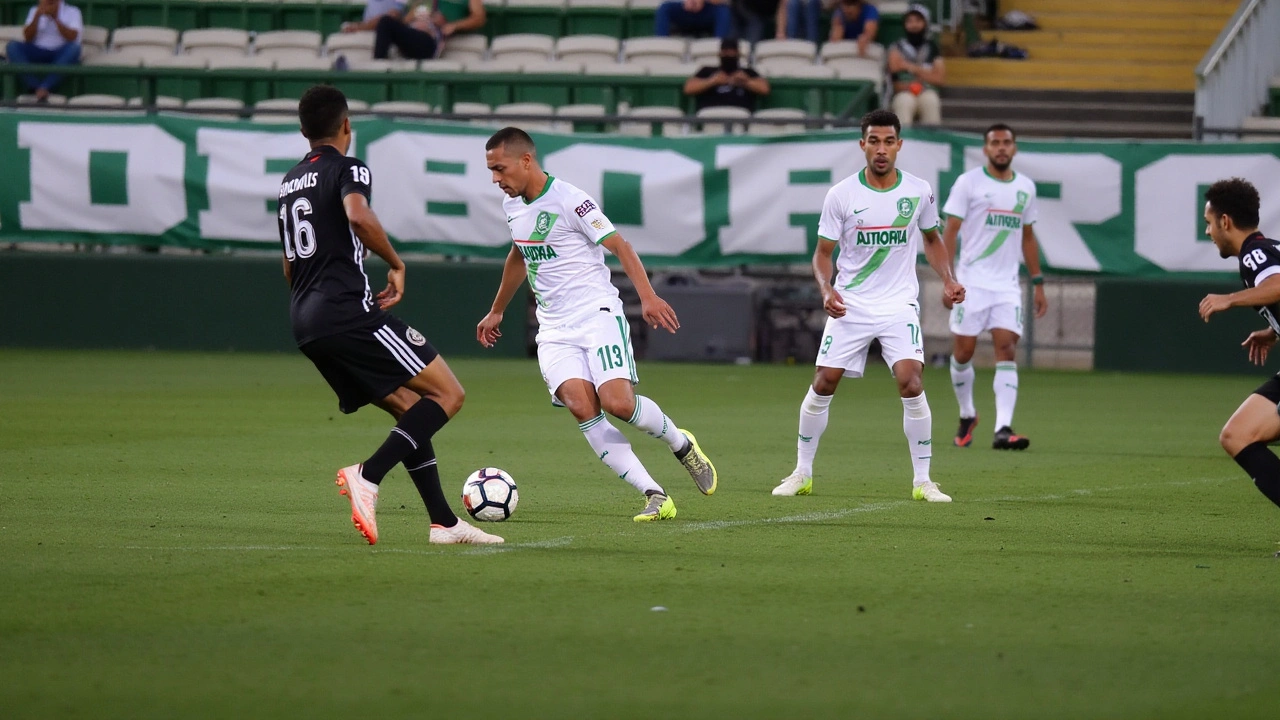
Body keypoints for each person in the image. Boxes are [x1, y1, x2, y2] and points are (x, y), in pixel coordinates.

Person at [278, 85, 501, 546]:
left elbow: (289, 261)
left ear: (303, 131)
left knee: (409, 408)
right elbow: (357, 215)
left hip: (305, 320)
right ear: (346, 126)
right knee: (448, 394)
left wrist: (312, 306)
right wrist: (397, 265)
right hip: (347, 312)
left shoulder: (289, 181)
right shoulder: (348, 167)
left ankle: (444, 522)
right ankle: (368, 474)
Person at [477, 127, 718, 522]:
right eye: (490, 171)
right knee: (579, 405)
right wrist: (498, 309)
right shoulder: (513, 207)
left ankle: (681, 443)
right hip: (553, 329)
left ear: (526, 160)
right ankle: (655, 495)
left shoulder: (572, 200)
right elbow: (519, 255)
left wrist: (648, 296)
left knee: (618, 404)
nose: (495, 179)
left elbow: (620, 245)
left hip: (595, 314)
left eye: (499, 169)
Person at [773, 108, 965, 502]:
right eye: (873, 141)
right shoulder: (841, 194)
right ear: (862, 145)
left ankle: (923, 481)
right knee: (824, 382)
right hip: (852, 303)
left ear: (899, 145)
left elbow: (932, 239)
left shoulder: (918, 190)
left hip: (898, 304)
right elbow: (823, 253)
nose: (881, 149)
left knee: (911, 381)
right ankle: (802, 472)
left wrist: (948, 278)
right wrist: (827, 289)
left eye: (888, 141)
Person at [942, 123, 1047, 450]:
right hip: (970, 282)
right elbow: (949, 232)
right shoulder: (968, 183)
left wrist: (1038, 281)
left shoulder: (1026, 188)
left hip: (1006, 286)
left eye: (1006, 142)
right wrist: (949, 279)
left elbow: (1028, 237)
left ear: (1014, 148)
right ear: (986, 149)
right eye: (994, 143)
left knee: (1006, 349)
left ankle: (1003, 428)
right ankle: (967, 413)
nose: (1001, 148)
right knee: (963, 353)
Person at [1197, 177, 1280, 554]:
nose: (1208, 231)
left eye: (1209, 222)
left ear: (1226, 221)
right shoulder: (1270, 247)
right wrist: (1273, 330)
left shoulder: (1254, 255)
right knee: (1237, 435)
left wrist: (1230, 299)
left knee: (1239, 436)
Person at [6, 0, 82, 103]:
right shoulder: (34, 10)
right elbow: (27, 37)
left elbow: (72, 37)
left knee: (74, 49)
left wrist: (56, 19)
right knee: (12, 47)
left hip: (59, 52)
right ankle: (36, 87)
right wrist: (37, 16)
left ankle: (45, 87)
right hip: (36, 50)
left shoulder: (73, 11)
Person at [887, 4, 944, 127]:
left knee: (931, 101)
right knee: (905, 102)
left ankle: (932, 143)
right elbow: (895, 73)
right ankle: (903, 143)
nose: (913, 25)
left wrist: (909, 66)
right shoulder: (896, 47)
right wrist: (926, 73)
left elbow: (939, 79)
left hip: (927, 91)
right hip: (903, 92)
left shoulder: (933, 48)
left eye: (918, 21)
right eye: (910, 21)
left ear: (925, 23)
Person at [370, 0, 485, 60]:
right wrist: (416, 15)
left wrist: (454, 25)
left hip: (430, 39)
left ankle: (378, 67)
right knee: (385, 21)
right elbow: (406, 20)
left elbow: (479, 18)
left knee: (386, 22)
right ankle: (378, 67)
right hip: (414, 31)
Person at [682, 37, 770, 113]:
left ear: (738, 54)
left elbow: (764, 89)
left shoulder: (747, 72)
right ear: (720, 54)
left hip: (741, 117)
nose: (728, 55)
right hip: (710, 117)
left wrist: (746, 82)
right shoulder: (707, 71)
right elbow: (688, 88)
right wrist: (712, 81)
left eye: (731, 52)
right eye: (725, 52)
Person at [654, 0, 734, 39]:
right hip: (684, 9)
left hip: (708, 10)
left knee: (724, 11)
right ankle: (662, 43)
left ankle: (718, 46)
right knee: (664, 8)